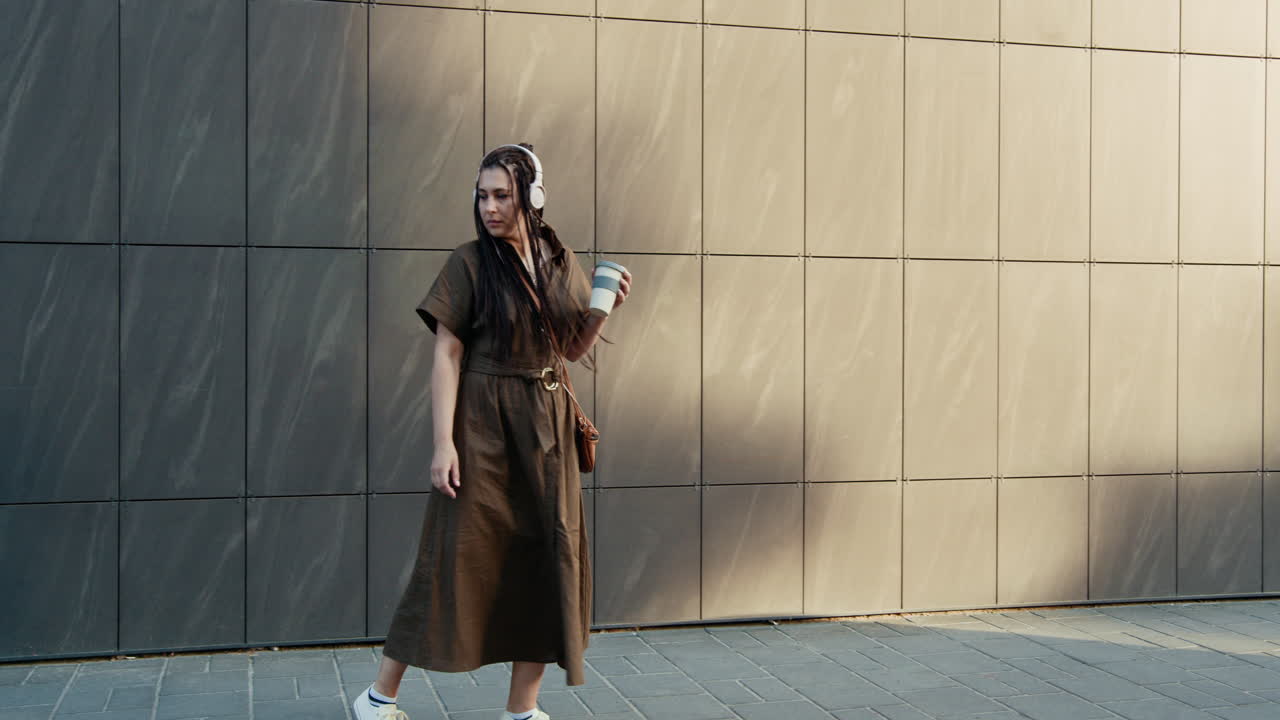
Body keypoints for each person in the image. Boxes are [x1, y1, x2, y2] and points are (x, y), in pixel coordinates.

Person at [352, 143, 632, 720]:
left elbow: (570, 349)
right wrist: (443, 443)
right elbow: (447, 354)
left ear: (533, 196)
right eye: (482, 196)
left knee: (546, 559)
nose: (490, 207)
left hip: (546, 429)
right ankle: (378, 697)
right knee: (450, 558)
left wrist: (603, 310)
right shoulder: (470, 263)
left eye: (502, 195)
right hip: (481, 425)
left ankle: (521, 710)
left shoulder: (560, 261)